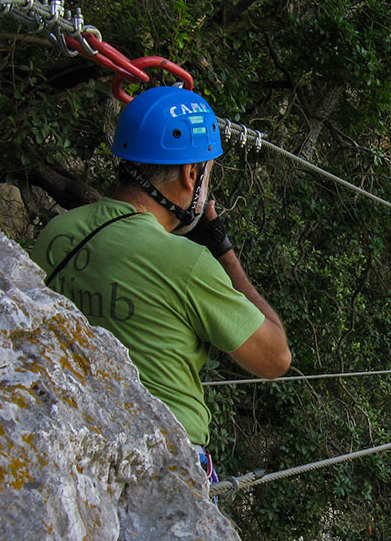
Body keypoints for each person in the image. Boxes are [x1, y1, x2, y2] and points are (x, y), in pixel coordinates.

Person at [31, 86, 291, 486]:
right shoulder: (188, 264)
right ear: (191, 174)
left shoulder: (55, 233)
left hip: (71, 440)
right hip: (166, 462)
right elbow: (275, 358)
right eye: (207, 174)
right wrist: (223, 250)